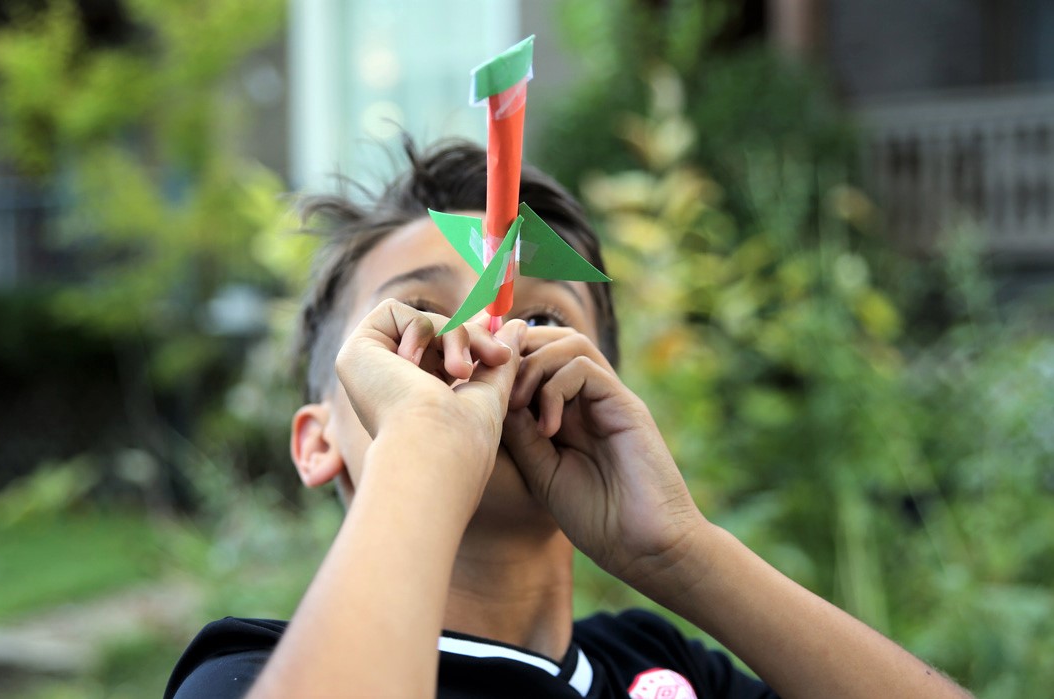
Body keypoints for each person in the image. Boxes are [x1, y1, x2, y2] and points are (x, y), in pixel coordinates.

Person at [164, 139, 970, 699]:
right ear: (317, 442)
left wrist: (680, 552)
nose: (487, 339)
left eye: (543, 323)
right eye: (414, 319)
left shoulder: (665, 672)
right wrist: (424, 443)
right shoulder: (248, 671)